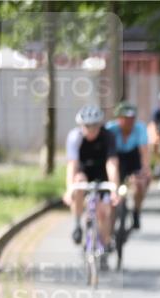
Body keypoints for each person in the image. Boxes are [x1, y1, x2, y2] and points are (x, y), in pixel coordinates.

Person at [63, 105, 120, 269]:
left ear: (99, 125)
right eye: (87, 126)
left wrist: (114, 188)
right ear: (81, 126)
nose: (91, 130)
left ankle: (105, 241)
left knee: (103, 211)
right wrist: (69, 189)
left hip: (102, 173)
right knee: (78, 182)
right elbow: (72, 165)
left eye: (94, 126)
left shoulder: (108, 137)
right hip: (84, 172)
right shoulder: (75, 137)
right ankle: (76, 224)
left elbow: (112, 164)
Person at [105, 102, 150, 230]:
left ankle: (136, 210)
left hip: (133, 158)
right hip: (116, 159)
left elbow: (144, 151)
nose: (129, 122)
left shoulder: (140, 129)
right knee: (113, 188)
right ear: (118, 118)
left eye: (131, 119)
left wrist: (145, 169)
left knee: (140, 184)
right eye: (125, 118)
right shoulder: (110, 129)